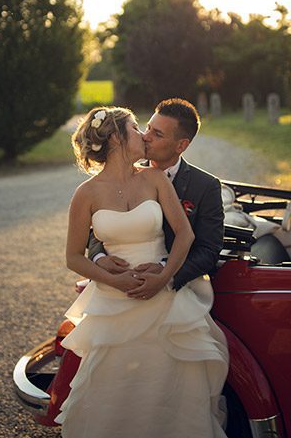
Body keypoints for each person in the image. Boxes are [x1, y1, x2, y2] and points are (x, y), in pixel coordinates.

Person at [51, 103, 291, 438]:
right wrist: (108, 271)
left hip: (166, 300)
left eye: (154, 131)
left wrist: (164, 277)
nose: (145, 136)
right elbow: (78, 253)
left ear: (180, 143)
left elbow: (192, 241)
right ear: (117, 139)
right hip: (115, 305)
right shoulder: (86, 192)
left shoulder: (164, 181)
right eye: (139, 128)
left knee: (173, 402)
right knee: (113, 404)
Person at [88, 97, 224, 292]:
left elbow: (208, 250)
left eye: (157, 134)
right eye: (148, 128)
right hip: (117, 282)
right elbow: (100, 225)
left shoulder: (205, 186)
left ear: (181, 145)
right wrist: (99, 258)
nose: (145, 136)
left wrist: (165, 273)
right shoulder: (121, 173)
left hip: (174, 286)